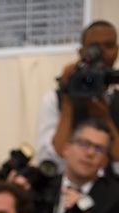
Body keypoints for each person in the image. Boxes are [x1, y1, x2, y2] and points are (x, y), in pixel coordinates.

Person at [36, 19, 119, 174]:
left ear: (116, 50)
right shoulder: (54, 100)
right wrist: (68, 96)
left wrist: (104, 117)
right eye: (94, 47)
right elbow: (50, 163)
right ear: (82, 52)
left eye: (108, 46)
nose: (101, 54)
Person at [30, 119, 119, 213]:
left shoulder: (113, 197)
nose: (90, 153)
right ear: (66, 149)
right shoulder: (43, 185)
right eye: (83, 144)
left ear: (105, 161)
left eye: (98, 149)